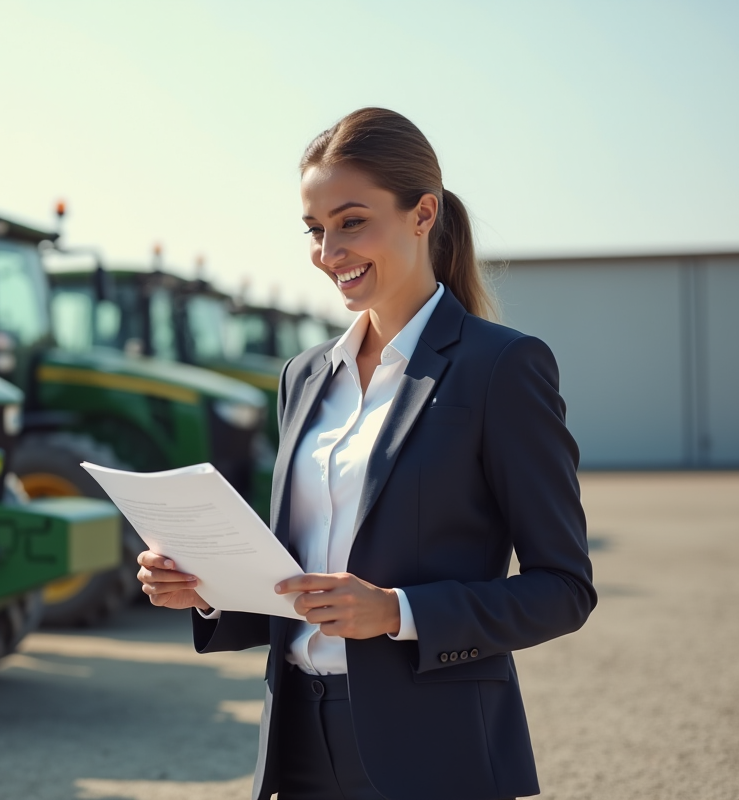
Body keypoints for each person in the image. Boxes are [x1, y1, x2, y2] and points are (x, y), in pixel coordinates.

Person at [136, 107, 596, 800]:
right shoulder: (305, 375)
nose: (328, 252)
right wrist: (207, 592)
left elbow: (563, 590)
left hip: (433, 749)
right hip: (297, 740)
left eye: (351, 222)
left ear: (423, 214)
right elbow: (299, 578)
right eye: (315, 230)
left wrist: (398, 612)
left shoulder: (501, 368)